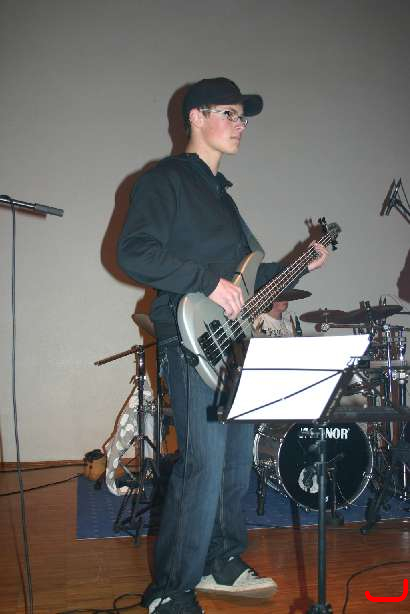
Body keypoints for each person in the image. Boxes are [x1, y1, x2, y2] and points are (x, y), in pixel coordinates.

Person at [117, 77, 329, 614]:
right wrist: (206, 282)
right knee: (201, 467)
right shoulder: (164, 180)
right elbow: (134, 252)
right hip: (192, 340)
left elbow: (246, 283)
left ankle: (222, 560)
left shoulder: (222, 197)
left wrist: (301, 263)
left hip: (233, 348)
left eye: (243, 118)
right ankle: (170, 590)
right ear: (196, 116)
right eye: (230, 114)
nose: (240, 126)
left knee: (236, 462)